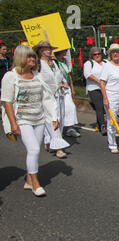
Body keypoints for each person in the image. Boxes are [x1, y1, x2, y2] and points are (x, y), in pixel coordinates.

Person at [1, 45, 59, 197]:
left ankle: (28, 180)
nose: (33, 59)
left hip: (38, 119)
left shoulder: (37, 76)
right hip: (22, 119)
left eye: (33, 56)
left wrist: (53, 117)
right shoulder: (10, 76)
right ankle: (35, 183)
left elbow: (46, 98)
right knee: (33, 149)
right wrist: (13, 124)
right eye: (29, 57)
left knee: (35, 150)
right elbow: (7, 101)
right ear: (21, 58)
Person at [34, 41, 70, 159]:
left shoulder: (55, 63)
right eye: (45, 49)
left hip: (59, 95)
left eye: (49, 48)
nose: (48, 51)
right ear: (40, 51)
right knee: (53, 119)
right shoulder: (38, 64)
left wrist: (62, 84)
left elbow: (59, 77)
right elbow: (36, 80)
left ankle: (48, 140)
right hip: (46, 97)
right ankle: (59, 148)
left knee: (60, 118)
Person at [54, 49, 80, 138]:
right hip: (58, 88)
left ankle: (70, 128)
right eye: (64, 51)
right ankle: (56, 129)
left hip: (66, 88)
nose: (66, 52)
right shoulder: (54, 62)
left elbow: (69, 75)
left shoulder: (64, 61)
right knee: (59, 110)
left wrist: (72, 88)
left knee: (71, 107)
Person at [84, 47, 107, 135]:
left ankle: (99, 123)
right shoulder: (89, 63)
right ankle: (102, 125)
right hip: (93, 88)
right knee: (99, 106)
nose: (97, 56)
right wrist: (99, 82)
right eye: (95, 54)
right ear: (92, 56)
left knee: (103, 107)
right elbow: (88, 75)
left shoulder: (106, 63)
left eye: (99, 54)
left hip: (105, 88)